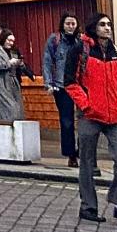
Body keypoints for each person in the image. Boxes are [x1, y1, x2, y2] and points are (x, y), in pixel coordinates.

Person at [64, 12, 117, 224]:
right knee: (86, 161)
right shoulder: (80, 49)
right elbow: (69, 81)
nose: (107, 28)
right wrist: (86, 105)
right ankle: (88, 207)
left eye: (109, 25)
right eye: (103, 24)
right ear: (94, 27)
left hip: (115, 115)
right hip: (90, 115)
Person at [43, 14, 83, 167]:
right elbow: (47, 61)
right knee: (66, 122)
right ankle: (71, 155)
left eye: (73, 23)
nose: (71, 26)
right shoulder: (55, 40)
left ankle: (82, 150)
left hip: (80, 86)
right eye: (68, 23)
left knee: (84, 120)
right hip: (61, 86)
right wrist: (48, 83)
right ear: (62, 24)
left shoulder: (82, 40)